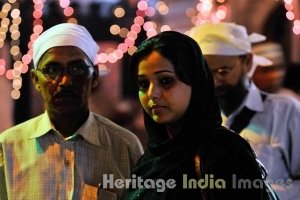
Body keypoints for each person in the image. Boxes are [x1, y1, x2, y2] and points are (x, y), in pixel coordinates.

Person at [124, 31, 277, 199]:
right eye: (143, 84)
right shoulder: (151, 158)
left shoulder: (224, 152)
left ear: (194, 82)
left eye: (166, 81)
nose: (152, 94)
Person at [0, 23, 143, 200]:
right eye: (52, 69)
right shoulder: (8, 145)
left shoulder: (125, 146)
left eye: (77, 68)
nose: (66, 81)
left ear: (95, 77)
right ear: (36, 79)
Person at [189, 22, 300, 199]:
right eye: (206, 74)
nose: (215, 82)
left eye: (223, 71)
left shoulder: (285, 112)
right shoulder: (193, 119)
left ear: (247, 62)